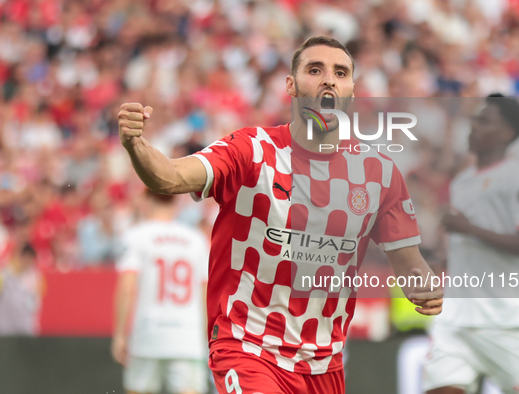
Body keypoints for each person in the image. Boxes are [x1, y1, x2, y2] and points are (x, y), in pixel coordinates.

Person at [118, 36, 443, 394]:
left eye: (340, 72)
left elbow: (409, 263)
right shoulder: (251, 149)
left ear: (351, 90)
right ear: (291, 84)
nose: (328, 80)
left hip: (324, 363)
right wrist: (137, 144)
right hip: (247, 346)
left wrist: (424, 286)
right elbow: (170, 177)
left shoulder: (379, 173)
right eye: (314, 69)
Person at [423, 94, 519, 394]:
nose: (472, 126)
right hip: (456, 318)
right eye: (475, 118)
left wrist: (469, 229)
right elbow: (467, 247)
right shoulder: (461, 182)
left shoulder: (518, 177)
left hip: (502, 321)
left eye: (483, 120)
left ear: (505, 133)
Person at [111, 189, 209, 394]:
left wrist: (120, 333)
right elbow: (205, 293)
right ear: (176, 200)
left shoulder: (136, 236)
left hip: (148, 332)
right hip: (187, 336)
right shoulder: (196, 240)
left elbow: (127, 286)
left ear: (146, 198)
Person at [0, 243, 43, 336]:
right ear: (20, 257)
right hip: (5, 326)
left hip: (25, 326)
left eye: (30, 259)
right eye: (25, 257)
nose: (27, 261)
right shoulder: (4, 275)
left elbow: (37, 300)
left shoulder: (36, 277)